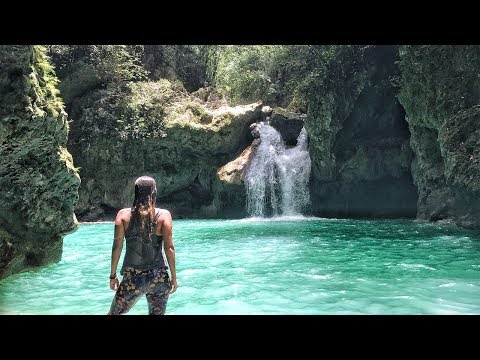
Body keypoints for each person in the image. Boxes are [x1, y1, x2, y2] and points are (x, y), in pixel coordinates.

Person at [108, 175, 177, 315]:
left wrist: (113, 275)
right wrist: (174, 277)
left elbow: (117, 246)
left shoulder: (123, 215)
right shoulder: (164, 215)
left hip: (132, 279)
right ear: (154, 192)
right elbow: (169, 248)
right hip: (159, 278)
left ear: (135, 192)